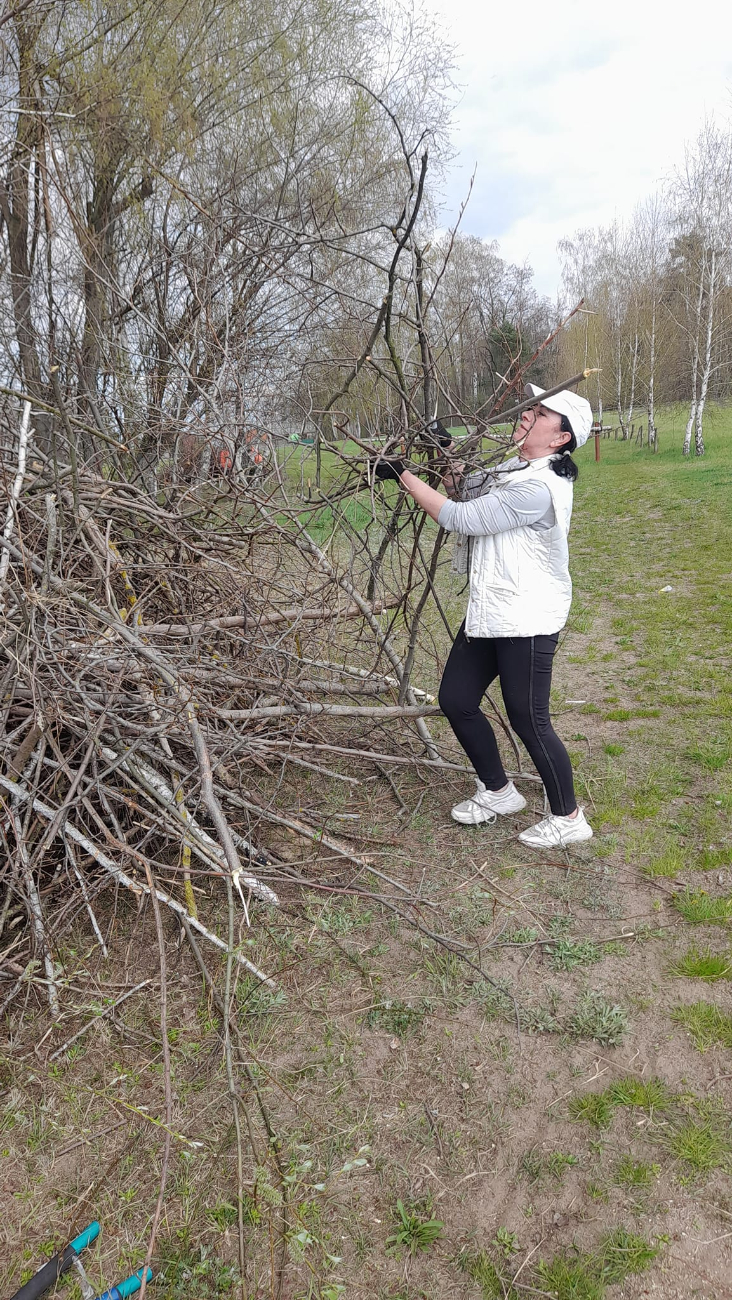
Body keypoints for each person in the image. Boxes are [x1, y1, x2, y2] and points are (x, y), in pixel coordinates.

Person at [374, 385, 594, 849]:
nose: (528, 415)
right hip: (493, 608)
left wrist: (403, 476)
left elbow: (462, 517)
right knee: (455, 698)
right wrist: (446, 450)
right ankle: (498, 791)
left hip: (528, 616)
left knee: (529, 718)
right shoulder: (516, 468)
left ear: (559, 439)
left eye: (540, 413)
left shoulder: (540, 487)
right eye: (530, 408)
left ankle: (568, 816)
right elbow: (466, 488)